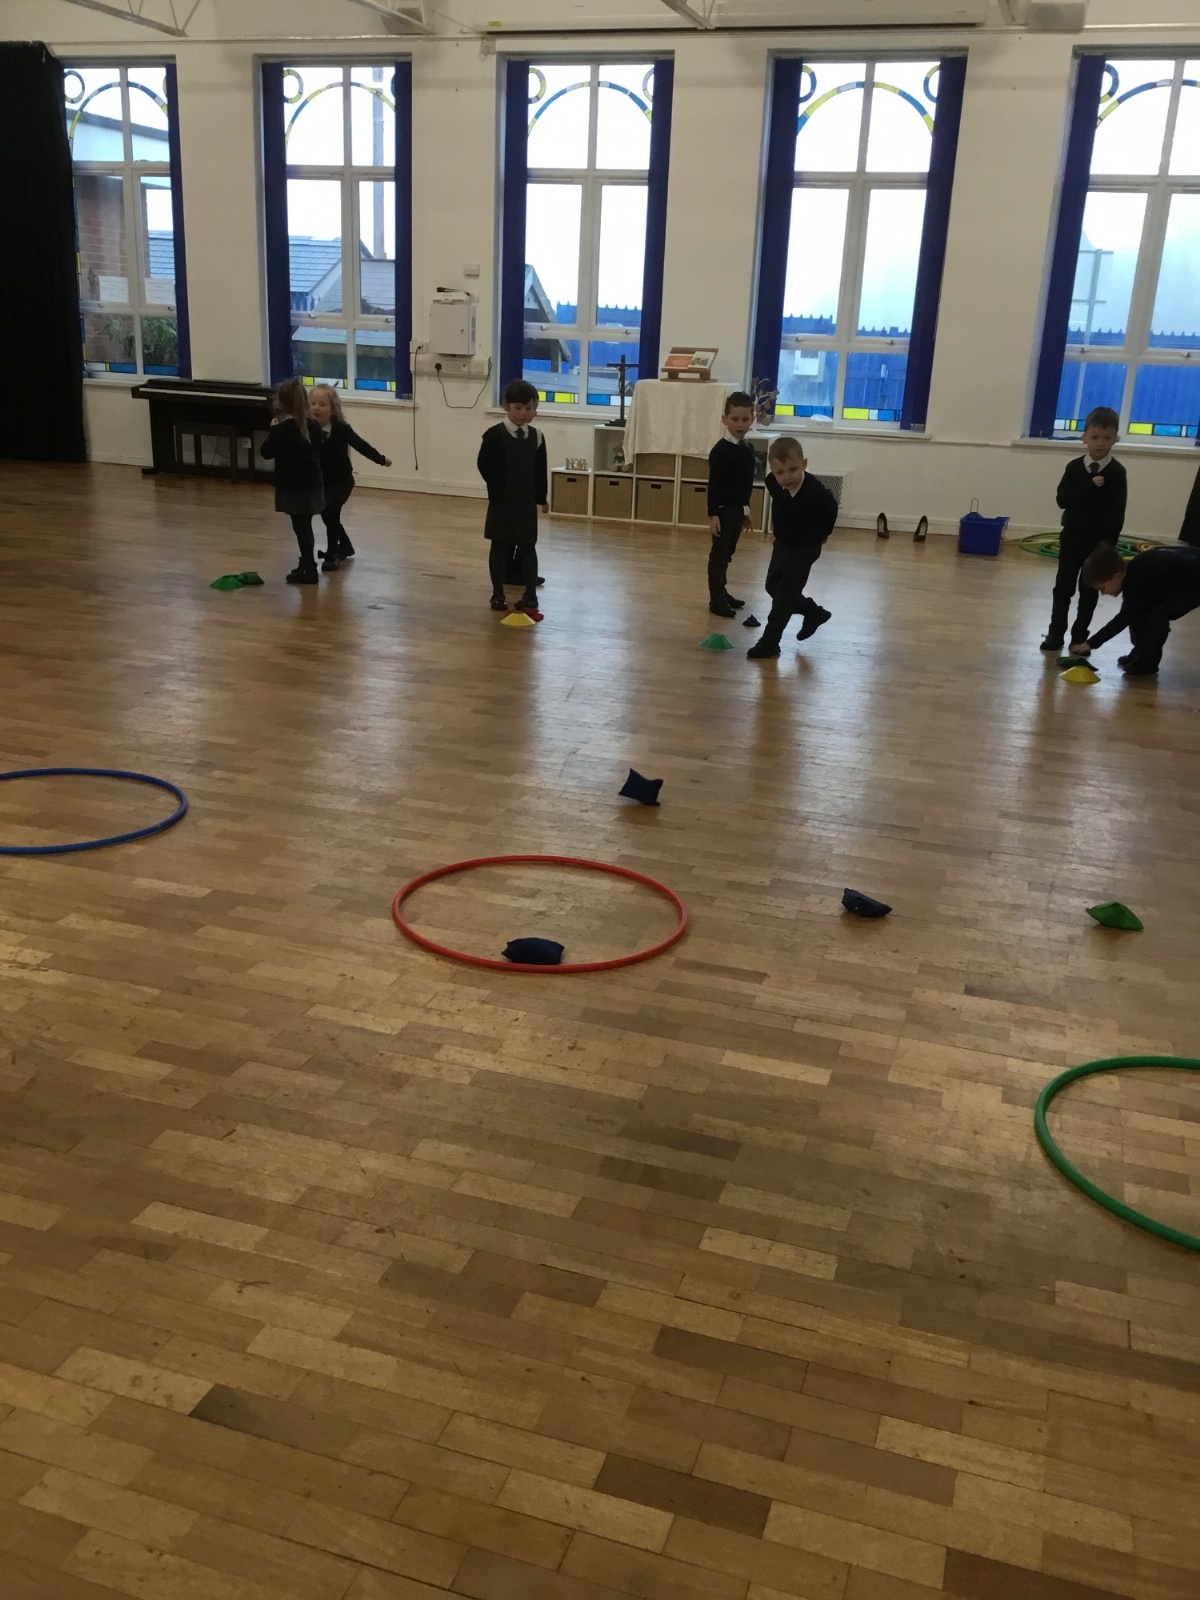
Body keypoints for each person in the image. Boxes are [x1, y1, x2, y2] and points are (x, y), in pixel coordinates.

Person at [1041, 405, 1127, 652]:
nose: (1100, 443)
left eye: (1107, 438)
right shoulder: (1074, 468)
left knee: (1089, 591)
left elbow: (1118, 511)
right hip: (1072, 538)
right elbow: (1062, 500)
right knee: (1063, 587)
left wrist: (1108, 546)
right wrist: (1089, 486)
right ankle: (1055, 634)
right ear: (1084, 438)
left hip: (1098, 544)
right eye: (1095, 437)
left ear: (1115, 439)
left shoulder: (1117, 472)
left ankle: (1079, 637)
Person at [747, 436, 838, 660]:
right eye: (780, 472)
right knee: (772, 586)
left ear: (804, 464)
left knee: (784, 596)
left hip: (805, 548)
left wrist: (823, 535)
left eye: (793, 469)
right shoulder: (773, 482)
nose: (787, 477)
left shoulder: (816, 493)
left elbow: (831, 508)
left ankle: (770, 642)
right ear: (773, 471)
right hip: (783, 544)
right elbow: (780, 500)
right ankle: (813, 612)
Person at [1070, 542, 1200, 675]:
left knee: (1158, 616)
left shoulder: (1137, 580)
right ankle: (1140, 653)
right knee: (1139, 614)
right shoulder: (1135, 577)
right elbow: (1131, 615)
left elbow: (1122, 620)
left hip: (1195, 583)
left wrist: (1091, 644)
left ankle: (1147, 664)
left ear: (1116, 576)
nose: (1103, 593)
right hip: (1183, 577)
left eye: (1102, 588)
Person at [477, 379, 548, 612]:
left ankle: (530, 595)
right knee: (499, 546)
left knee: (528, 547)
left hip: (525, 502)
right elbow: (483, 464)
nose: (523, 413)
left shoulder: (537, 436)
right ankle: (498, 593)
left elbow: (540, 469)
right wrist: (497, 488)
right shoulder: (494, 435)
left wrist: (541, 498)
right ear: (507, 406)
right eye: (518, 408)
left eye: (529, 408)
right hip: (502, 501)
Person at [309, 385, 391, 573]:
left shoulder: (341, 429)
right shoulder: (308, 430)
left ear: (333, 408)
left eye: (322, 404)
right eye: (312, 403)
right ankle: (345, 546)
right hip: (322, 482)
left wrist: (380, 459)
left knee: (331, 512)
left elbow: (360, 445)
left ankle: (331, 554)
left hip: (342, 481)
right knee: (327, 515)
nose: (316, 408)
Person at [259, 379, 325, 585]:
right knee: (305, 526)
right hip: (312, 484)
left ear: (281, 402)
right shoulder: (313, 425)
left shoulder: (282, 429)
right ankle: (307, 563)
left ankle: (309, 568)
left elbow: (266, 452)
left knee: (300, 527)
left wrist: (273, 430)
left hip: (294, 488)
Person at [707, 390, 757, 617]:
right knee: (718, 555)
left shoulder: (747, 448)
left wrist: (745, 511)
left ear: (752, 419)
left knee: (728, 552)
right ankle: (716, 599)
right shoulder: (720, 451)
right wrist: (713, 514)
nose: (740, 424)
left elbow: (744, 486)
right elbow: (714, 485)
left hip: (737, 510)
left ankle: (723, 591)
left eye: (745, 419)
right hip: (723, 511)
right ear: (724, 419)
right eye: (735, 419)